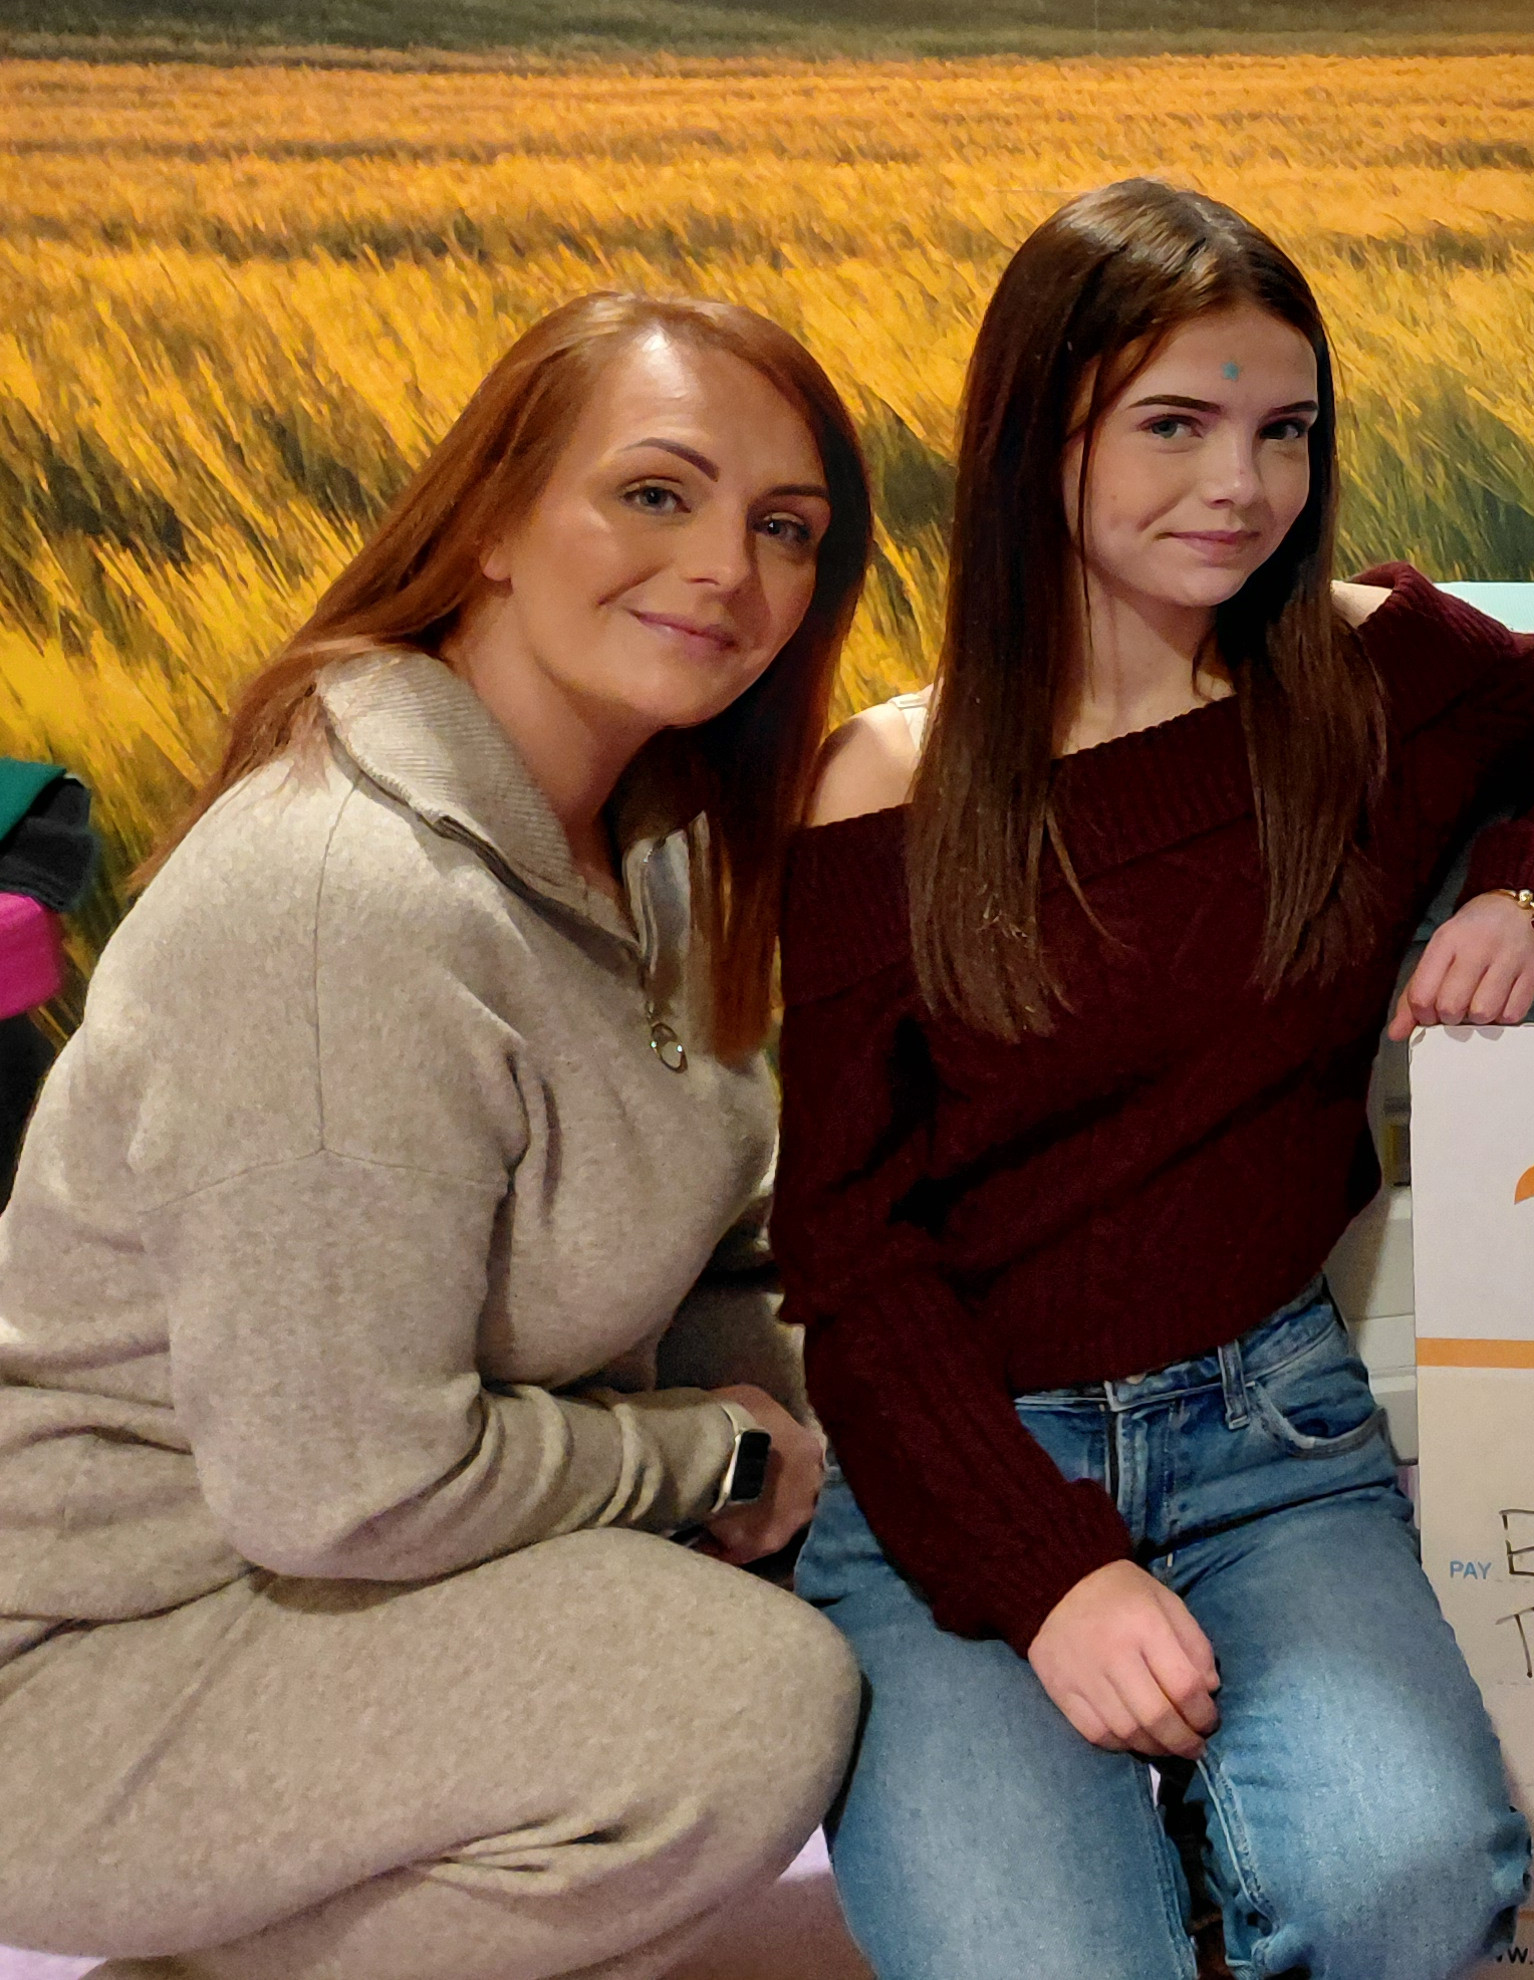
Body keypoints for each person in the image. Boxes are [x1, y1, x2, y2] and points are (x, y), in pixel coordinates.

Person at [774, 177, 1534, 1980]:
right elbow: (851, 1260)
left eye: (1286, 430)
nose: (1243, 485)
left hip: (1269, 1435)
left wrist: (1531, 891)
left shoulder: (1368, 675)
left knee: (1412, 1884)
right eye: (1175, 425)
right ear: (1039, 436)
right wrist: (1049, 1576)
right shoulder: (885, 787)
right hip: (959, 1458)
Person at [0, 291, 877, 1980]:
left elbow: (719, 1247)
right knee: (731, 1706)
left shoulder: (650, 842)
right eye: (656, 493)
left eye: (787, 529)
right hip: (95, 1658)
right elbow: (348, 1488)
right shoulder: (350, 903)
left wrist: (898, 1447)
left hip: (334, 1581)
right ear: (490, 523)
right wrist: (715, 1458)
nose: (728, 569)